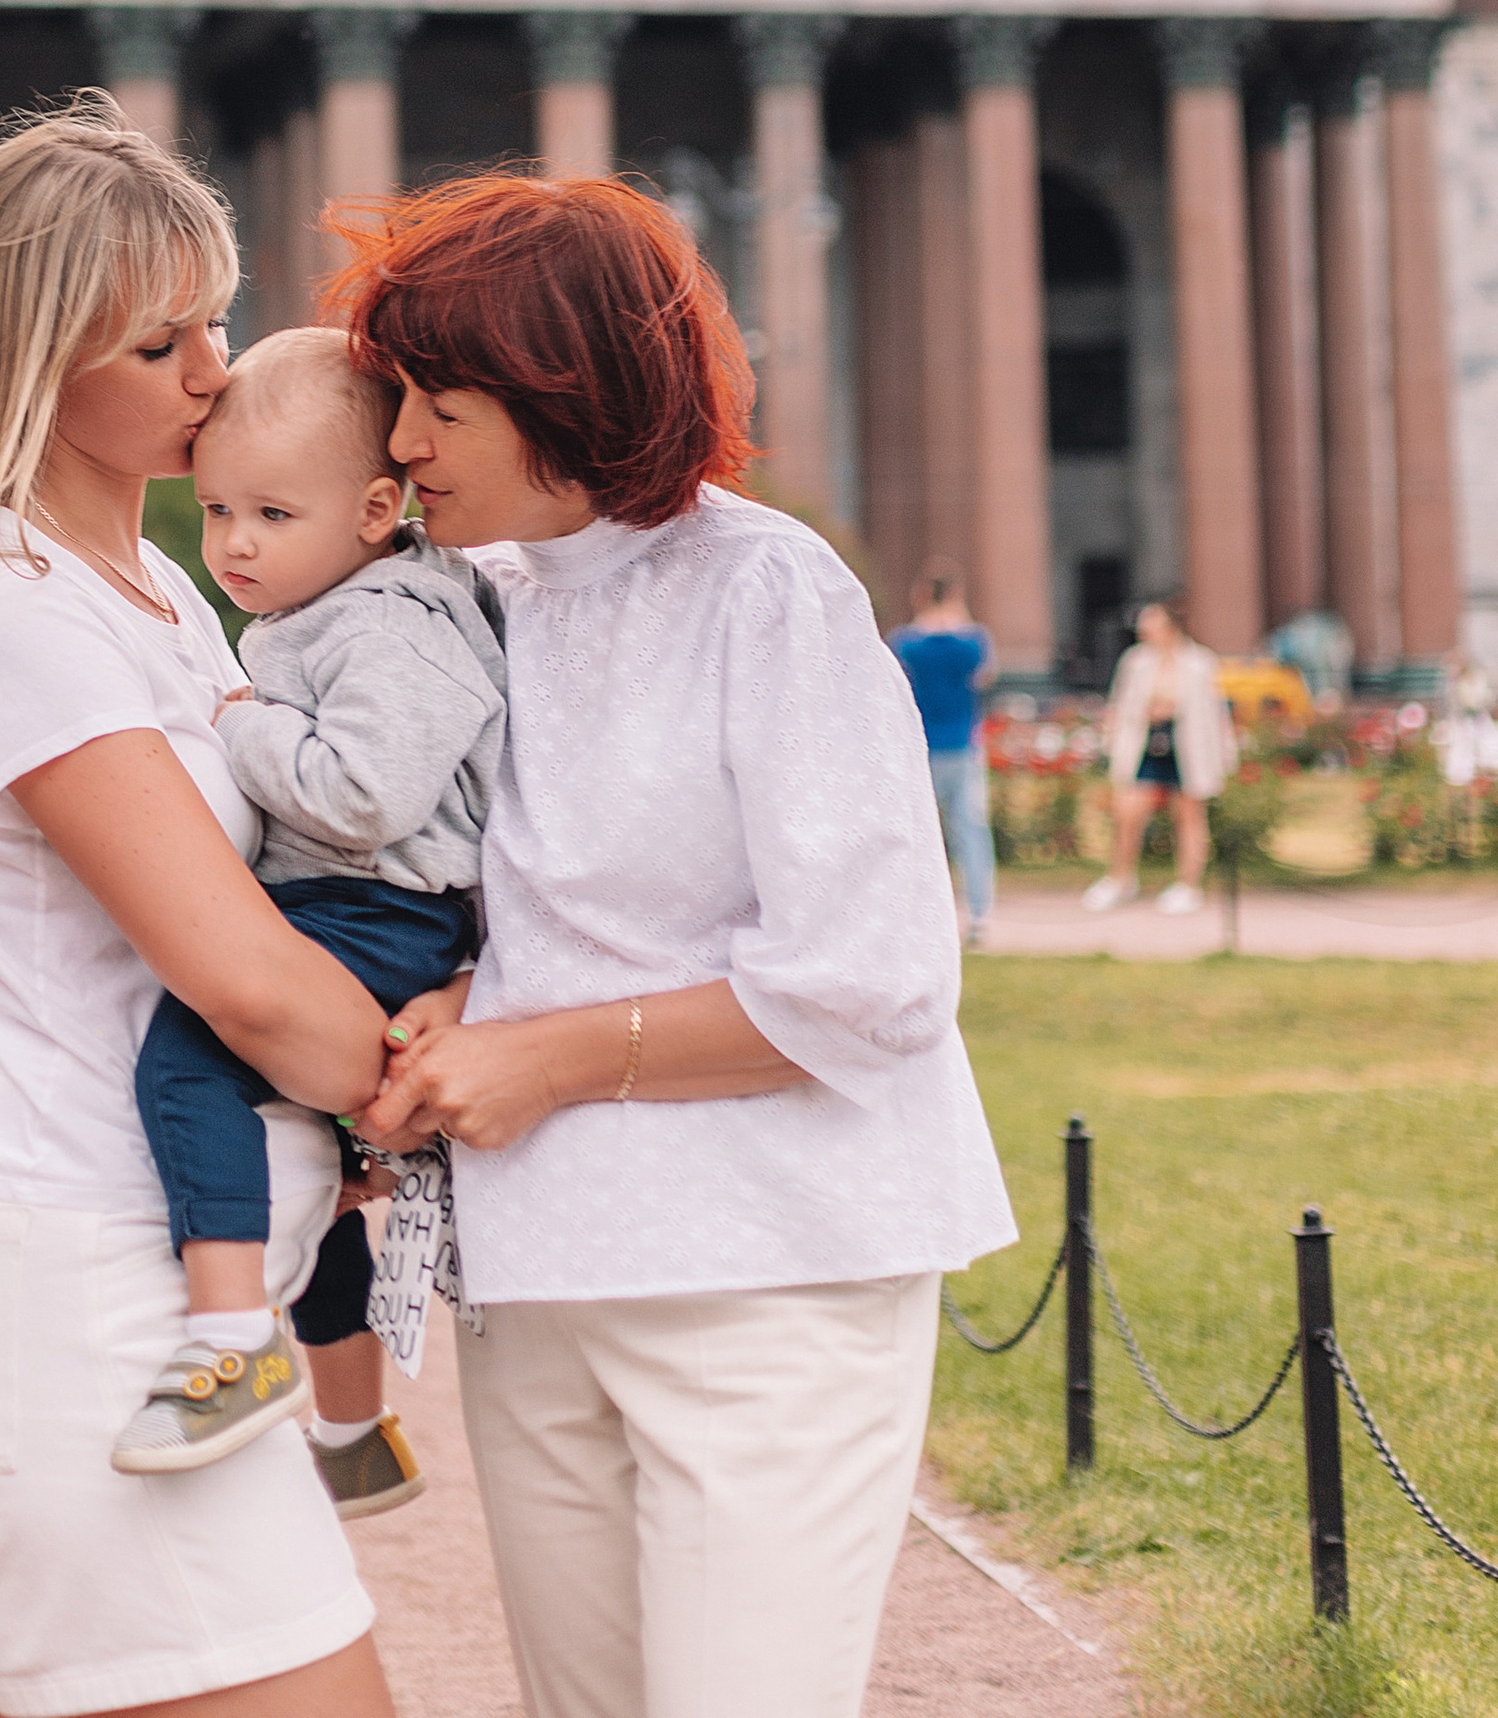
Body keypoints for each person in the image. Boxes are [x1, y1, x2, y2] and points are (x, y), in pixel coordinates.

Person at [347, 174, 1015, 1718]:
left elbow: (878, 979)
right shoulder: (458, 607)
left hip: (770, 1286)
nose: (401, 445)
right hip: (534, 1279)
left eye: (442, 404)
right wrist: (427, 1034)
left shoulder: (765, 589)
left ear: (564, 394)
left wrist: (547, 1057)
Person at [0, 96, 401, 1718]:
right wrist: (439, 1084)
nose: (214, 375)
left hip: (168, 1300)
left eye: (216, 322)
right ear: (36, 359)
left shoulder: (162, 587)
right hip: (84, 1300)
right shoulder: (18, 610)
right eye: (159, 341)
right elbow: (240, 978)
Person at [122, 324, 505, 1517]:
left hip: (376, 913)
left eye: (272, 516)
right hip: (355, 908)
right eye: (217, 509)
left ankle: (229, 1338)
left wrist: (235, 719)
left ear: (378, 508)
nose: (235, 543)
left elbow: (362, 793)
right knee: (319, 1185)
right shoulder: (335, 605)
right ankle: (354, 1431)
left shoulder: (390, 625)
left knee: (188, 1061)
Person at [1087, 595, 1234, 914]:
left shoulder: (1199, 662)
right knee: (1128, 812)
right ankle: (1120, 879)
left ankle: (1188, 884)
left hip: (1187, 747)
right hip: (1147, 745)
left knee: (1189, 815)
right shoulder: (1136, 661)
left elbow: (1213, 713)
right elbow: (1122, 704)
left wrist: (1223, 755)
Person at [887, 569, 996, 945]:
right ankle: (979, 916)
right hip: (964, 746)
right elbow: (986, 677)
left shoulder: (905, 643)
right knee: (971, 833)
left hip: (919, 748)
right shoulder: (974, 642)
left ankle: (916, 916)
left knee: (918, 835)